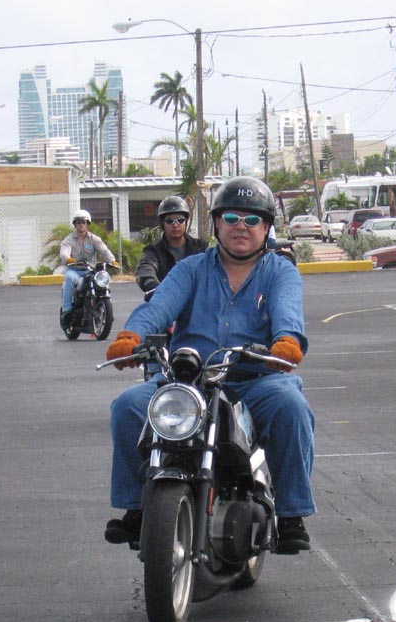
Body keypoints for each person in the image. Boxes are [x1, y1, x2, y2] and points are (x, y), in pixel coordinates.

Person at [103, 176, 315, 553]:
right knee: (128, 406)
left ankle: (291, 514)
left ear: (266, 227)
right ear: (216, 223)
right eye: (231, 217)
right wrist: (131, 336)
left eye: (252, 219)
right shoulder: (191, 269)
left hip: (255, 380)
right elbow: (158, 307)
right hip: (190, 381)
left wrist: (287, 341)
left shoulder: (280, 271)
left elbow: (288, 312)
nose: (240, 227)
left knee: (291, 406)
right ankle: (137, 508)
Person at [134, 196, 207, 302]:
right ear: (162, 223)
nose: (175, 225)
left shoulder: (201, 247)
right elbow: (145, 269)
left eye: (180, 220)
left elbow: (217, 268)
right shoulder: (153, 252)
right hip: (166, 303)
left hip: (198, 303)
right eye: (170, 221)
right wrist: (154, 287)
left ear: (186, 222)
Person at [59, 210, 116, 328]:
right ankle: (67, 311)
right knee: (69, 279)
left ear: (87, 224)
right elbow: (64, 253)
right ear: (75, 224)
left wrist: (112, 260)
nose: (81, 225)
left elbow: (104, 250)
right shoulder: (69, 240)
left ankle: (107, 308)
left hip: (90, 270)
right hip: (74, 270)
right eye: (78, 222)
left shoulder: (94, 239)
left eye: (83, 222)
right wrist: (68, 259)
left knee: (102, 281)